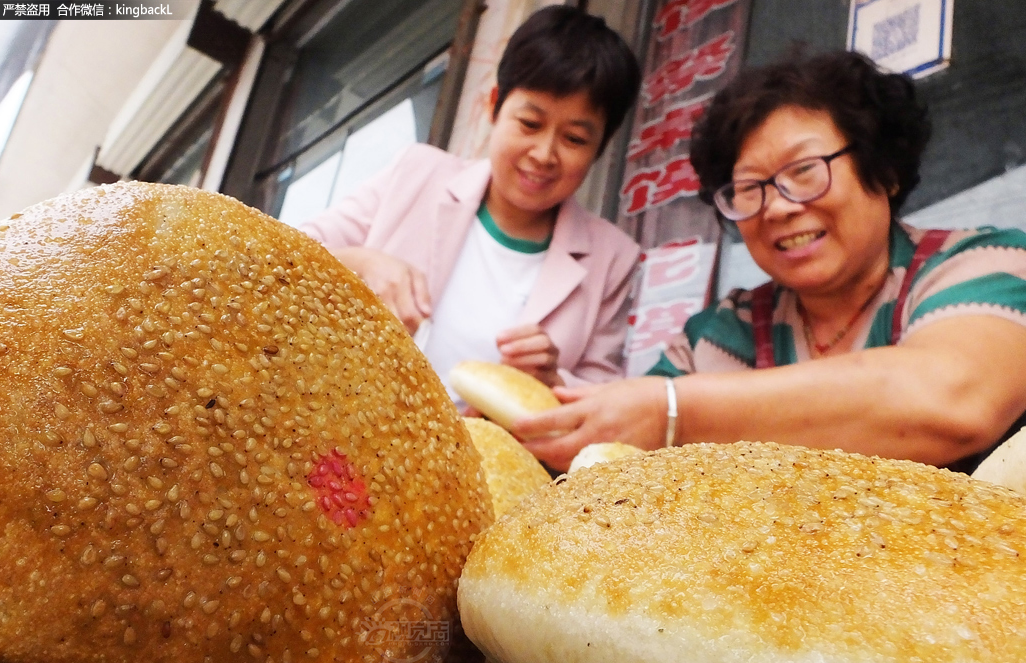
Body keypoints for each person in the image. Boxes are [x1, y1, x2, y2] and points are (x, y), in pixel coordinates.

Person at [517, 50, 1026, 473]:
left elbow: (953, 400)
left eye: (805, 171)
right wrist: (550, 405)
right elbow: (619, 447)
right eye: (749, 188)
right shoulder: (719, 335)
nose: (779, 206)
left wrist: (674, 413)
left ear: (885, 170)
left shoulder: (981, 264)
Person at [301, 6, 642, 396]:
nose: (544, 153)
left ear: (600, 148)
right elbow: (285, 252)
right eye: (530, 124)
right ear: (494, 105)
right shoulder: (417, 173)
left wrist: (554, 381)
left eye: (575, 139)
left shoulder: (613, 259)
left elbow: (605, 396)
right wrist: (361, 263)